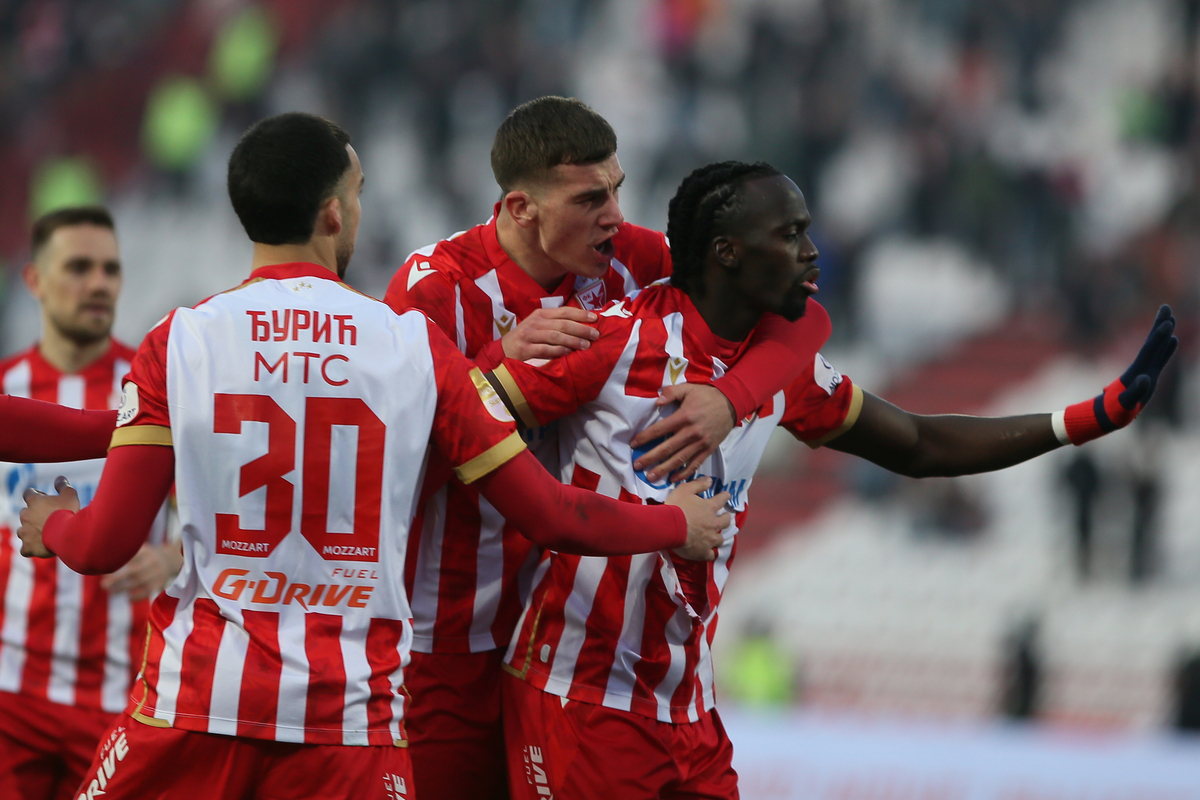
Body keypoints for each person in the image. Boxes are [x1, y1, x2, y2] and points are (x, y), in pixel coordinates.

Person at [13, 113, 729, 800]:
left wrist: (55, 526)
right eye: (358, 195)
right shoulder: (411, 351)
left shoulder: (181, 342)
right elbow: (552, 513)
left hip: (197, 704)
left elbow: (105, 540)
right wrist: (674, 525)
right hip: (350, 716)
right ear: (332, 214)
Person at [484, 161, 1177, 799]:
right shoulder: (608, 341)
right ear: (727, 251)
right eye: (789, 235)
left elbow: (918, 441)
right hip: (576, 697)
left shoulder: (779, 374)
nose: (812, 252)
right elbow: (466, 421)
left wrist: (1084, 419)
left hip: (687, 714)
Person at [384, 96, 826, 799]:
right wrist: (493, 374)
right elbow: (391, 464)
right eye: (592, 198)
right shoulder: (435, 291)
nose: (615, 214)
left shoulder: (633, 259)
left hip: (566, 641)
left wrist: (732, 398)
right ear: (521, 208)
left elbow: (801, 314)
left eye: (617, 189)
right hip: (450, 640)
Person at [0, 206, 182, 800]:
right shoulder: (10, 389)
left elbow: (216, 518)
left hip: (121, 695)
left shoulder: (152, 386)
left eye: (111, 269)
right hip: (10, 695)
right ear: (34, 280)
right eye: (79, 267)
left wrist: (170, 558)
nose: (99, 283)